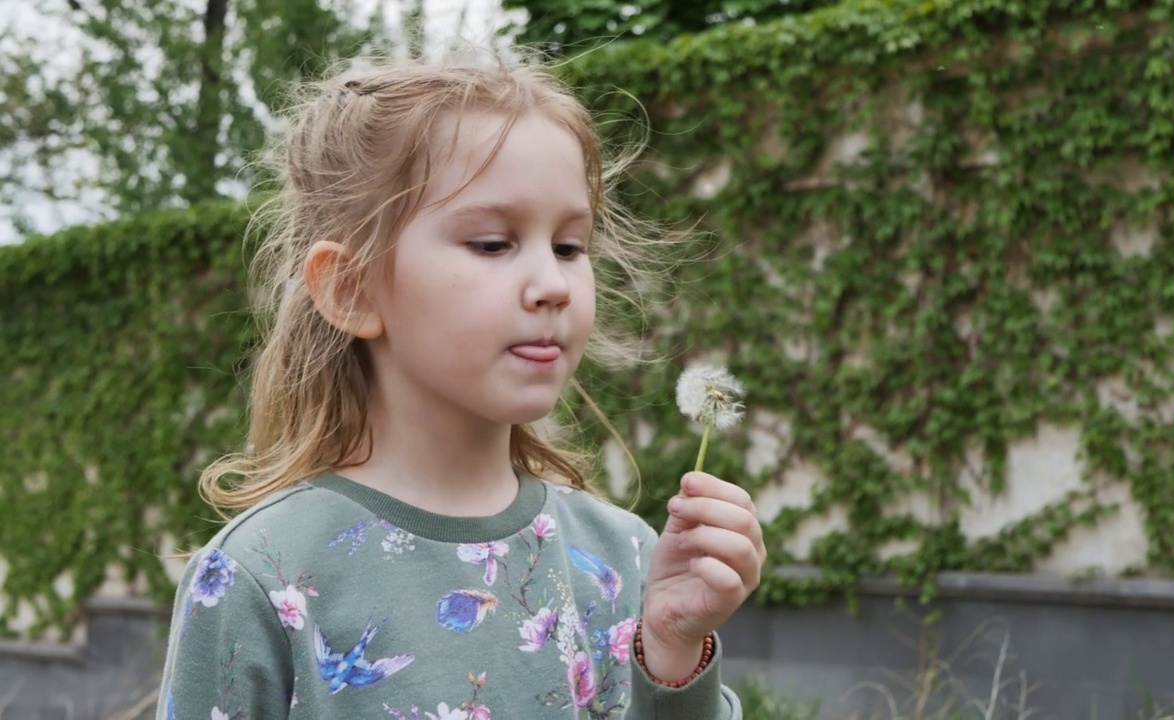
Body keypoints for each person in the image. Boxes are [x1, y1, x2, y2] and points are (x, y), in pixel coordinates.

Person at [156, 54, 765, 720]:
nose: (554, 284)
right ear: (352, 287)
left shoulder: (623, 556)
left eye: (569, 246)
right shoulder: (259, 576)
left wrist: (673, 652)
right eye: (493, 243)